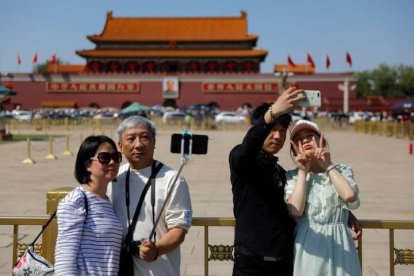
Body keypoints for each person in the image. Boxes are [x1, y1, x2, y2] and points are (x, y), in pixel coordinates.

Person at [229, 87, 305, 275]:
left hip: (284, 263)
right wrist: (271, 114)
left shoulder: (279, 171)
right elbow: (247, 149)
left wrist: (345, 216)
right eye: (272, 129)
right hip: (251, 264)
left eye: (282, 131)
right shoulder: (243, 161)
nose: (278, 136)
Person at [107, 115, 192, 276]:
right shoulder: (114, 177)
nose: (138, 145)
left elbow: (179, 229)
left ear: (154, 142)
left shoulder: (172, 179)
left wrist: (157, 250)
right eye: (131, 139)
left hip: (159, 270)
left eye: (145, 137)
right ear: (120, 145)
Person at [285, 119, 362, 276]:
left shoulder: (342, 170)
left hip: (341, 243)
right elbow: (296, 211)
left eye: (310, 136)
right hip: (309, 243)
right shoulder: (292, 176)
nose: (305, 140)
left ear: (322, 140)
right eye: (299, 139)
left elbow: (349, 196)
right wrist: (302, 171)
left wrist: (328, 165)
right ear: (294, 148)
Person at [55, 135, 123, 275]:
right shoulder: (76, 201)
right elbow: (65, 258)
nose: (112, 162)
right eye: (104, 158)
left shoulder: (107, 201)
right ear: (87, 165)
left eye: (116, 157)